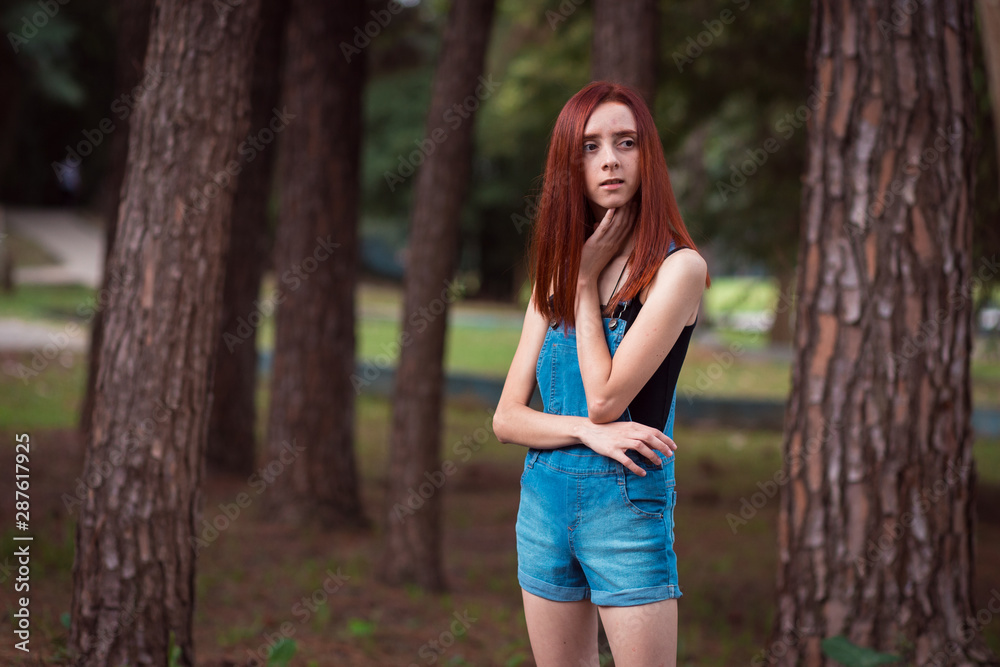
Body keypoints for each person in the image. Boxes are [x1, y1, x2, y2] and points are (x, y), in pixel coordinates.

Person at [493, 81, 710, 667]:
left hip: (626, 508)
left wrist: (586, 283)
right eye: (589, 147)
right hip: (543, 502)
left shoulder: (678, 269)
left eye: (625, 142)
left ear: (648, 157)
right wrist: (587, 434)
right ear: (571, 166)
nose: (609, 159)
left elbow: (607, 400)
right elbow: (507, 418)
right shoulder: (551, 276)